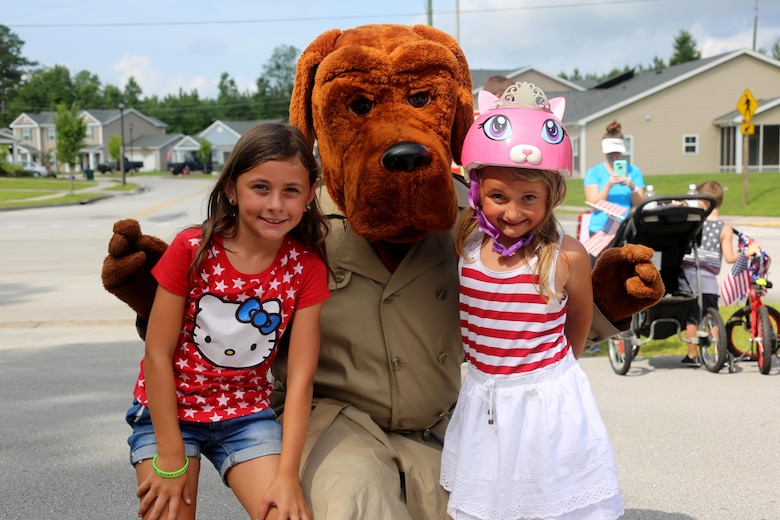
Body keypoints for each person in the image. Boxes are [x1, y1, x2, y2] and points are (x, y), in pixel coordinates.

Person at [125, 122, 330, 520]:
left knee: (285, 514)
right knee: (169, 511)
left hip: (246, 416)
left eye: (291, 190)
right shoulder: (191, 249)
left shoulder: (306, 268)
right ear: (232, 190)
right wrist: (170, 456)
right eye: (260, 188)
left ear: (309, 195)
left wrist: (288, 475)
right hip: (168, 412)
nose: (275, 204)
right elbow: (157, 352)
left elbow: (302, 378)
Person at [441, 83, 624, 519]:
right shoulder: (465, 242)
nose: (513, 212)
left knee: (550, 501)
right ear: (477, 192)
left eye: (530, 199)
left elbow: (578, 319)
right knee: (490, 501)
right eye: (498, 197)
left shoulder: (568, 255)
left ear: (551, 196)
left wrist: (555, 377)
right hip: (485, 395)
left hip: (547, 401)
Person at [677, 180, 759, 367]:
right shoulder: (725, 228)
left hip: (689, 275)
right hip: (709, 280)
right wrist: (747, 251)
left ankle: (692, 355)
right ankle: (718, 349)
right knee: (712, 316)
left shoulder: (694, 222)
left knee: (692, 317)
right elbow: (730, 258)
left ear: (703, 203)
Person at [584, 120, 646, 235]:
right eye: (610, 152)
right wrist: (608, 185)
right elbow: (593, 205)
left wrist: (632, 186)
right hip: (600, 229)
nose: (614, 156)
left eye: (617, 152)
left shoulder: (634, 171)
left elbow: (640, 205)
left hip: (626, 227)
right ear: (602, 150)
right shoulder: (594, 172)